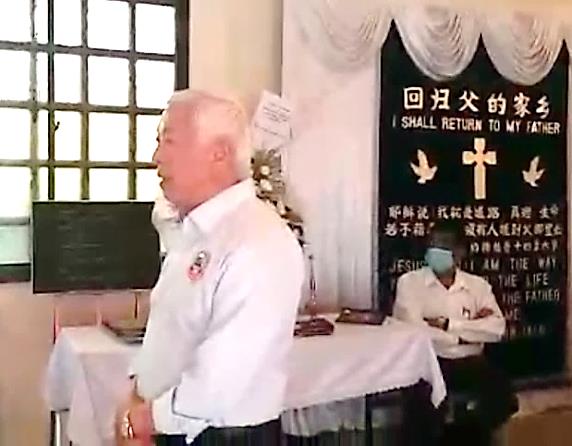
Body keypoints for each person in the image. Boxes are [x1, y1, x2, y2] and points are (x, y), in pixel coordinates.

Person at [114, 90, 305, 446]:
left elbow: (221, 380)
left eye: (169, 141)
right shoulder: (195, 232)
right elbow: (167, 333)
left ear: (219, 153)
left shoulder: (259, 241)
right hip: (166, 426)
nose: (156, 158)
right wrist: (136, 398)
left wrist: (145, 419)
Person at [393, 220, 518, 445]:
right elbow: (415, 331)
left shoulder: (478, 286)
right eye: (432, 245)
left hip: (470, 362)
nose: (436, 251)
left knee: (501, 396)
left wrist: (447, 325)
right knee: (422, 412)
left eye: (444, 246)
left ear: (460, 252)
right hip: (428, 363)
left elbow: (496, 329)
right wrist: (468, 333)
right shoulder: (410, 284)